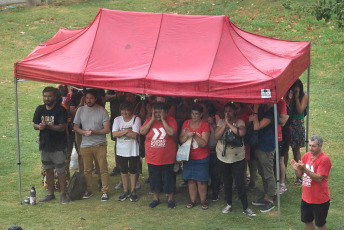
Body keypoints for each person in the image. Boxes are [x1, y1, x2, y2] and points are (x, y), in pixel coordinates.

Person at [215, 103, 256, 216]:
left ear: (234, 112)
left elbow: (241, 132)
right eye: (226, 111)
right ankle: (229, 204)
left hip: (237, 158)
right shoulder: (220, 122)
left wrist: (229, 124)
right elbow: (216, 136)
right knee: (227, 182)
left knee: (240, 183)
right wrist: (224, 125)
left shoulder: (240, 122)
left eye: (230, 111)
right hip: (223, 157)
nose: (227, 113)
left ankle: (245, 207)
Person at [33, 86, 68, 204]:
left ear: (55, 97)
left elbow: (62, 127)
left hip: (58, 145)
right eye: (45, 96)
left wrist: (48, 126)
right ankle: (50, 193)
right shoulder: (40, 109)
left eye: (49, 96)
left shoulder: (60, 110)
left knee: (60, 170)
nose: (47, 98)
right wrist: (39, 126)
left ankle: (63, 194)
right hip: (44, 145)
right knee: (48, 169)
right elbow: (35, 125)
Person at [73, 89, 110, 201]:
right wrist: (84, 132)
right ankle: (89, 190)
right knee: (87, 170)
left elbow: (107, 130)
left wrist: (94, 132)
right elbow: (75, 127)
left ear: (95, 99)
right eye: (87, 98)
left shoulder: (102, 111)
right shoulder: (80, 111)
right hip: (85, 145)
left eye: (91, 98)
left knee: (103, 169)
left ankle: (105, 191)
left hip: (100, 144)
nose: (88, 100)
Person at [140, 102, 178, 209]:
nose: (157, 114)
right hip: (152, 157)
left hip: (167, 157)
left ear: (165, 112)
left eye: (160, 112)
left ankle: (170, 199)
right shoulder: (149, 120)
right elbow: (142, 131)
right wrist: (152, 119)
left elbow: (171, 132)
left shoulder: (171, 120)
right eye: (155, 112)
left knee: (169, 178)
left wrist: (163, 120)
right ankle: (155, 198)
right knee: (154, 179)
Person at [291, 135, 331, 230]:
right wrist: (296, 169)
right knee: (307, 221)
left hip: (320, 199)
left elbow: (319, 178)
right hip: (306, 197)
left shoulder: (324, 159)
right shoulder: (306, 156)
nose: (310, 148)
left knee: (320, 224)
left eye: (313, 146)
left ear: (320, 146)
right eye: (309, 145)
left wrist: (304, 169)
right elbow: (300, 174)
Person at [179, 103, 211, 210]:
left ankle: (203, 201)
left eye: (196, 114)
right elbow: (181, 140)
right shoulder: (186, 123)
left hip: (202, 157)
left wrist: (194, 136)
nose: (194, 116)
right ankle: (192, 201)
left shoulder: (205, 125)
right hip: (188, 156)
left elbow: (204, 143)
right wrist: (187, 135)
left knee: (201, 180)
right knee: (191, 180)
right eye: (192, 113)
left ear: (201, 114)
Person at [250, 104, 278, 213]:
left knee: (268, 174)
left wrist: (255, 111)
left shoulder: (271, 112)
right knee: (262, 172)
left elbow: (257, 126)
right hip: (259, 146)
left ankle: (270, 200)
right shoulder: (264, 109)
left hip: (267, 148)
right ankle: (266, 196)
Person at [112, 102, 141, 202]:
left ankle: (133, 190)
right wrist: (127, 131)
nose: (124, 112)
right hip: (121, 150)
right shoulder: (117, 119)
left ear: (131, 111)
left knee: (133, 170)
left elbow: (135, 135)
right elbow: (114, 134)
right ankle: (125, 190)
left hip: (133, 149)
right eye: (122, 110)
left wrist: (121, 133)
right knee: (123, 170)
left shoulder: (136, 119)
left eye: (127, 110)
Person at [290, 79, 309, 185]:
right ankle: (283, 176)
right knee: (284, 151)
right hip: (289, 124)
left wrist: (296, 98)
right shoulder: (288, 95)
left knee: (295, 150)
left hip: (297, 125)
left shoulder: (304, 96)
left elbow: (300, 110)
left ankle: (299, 176)